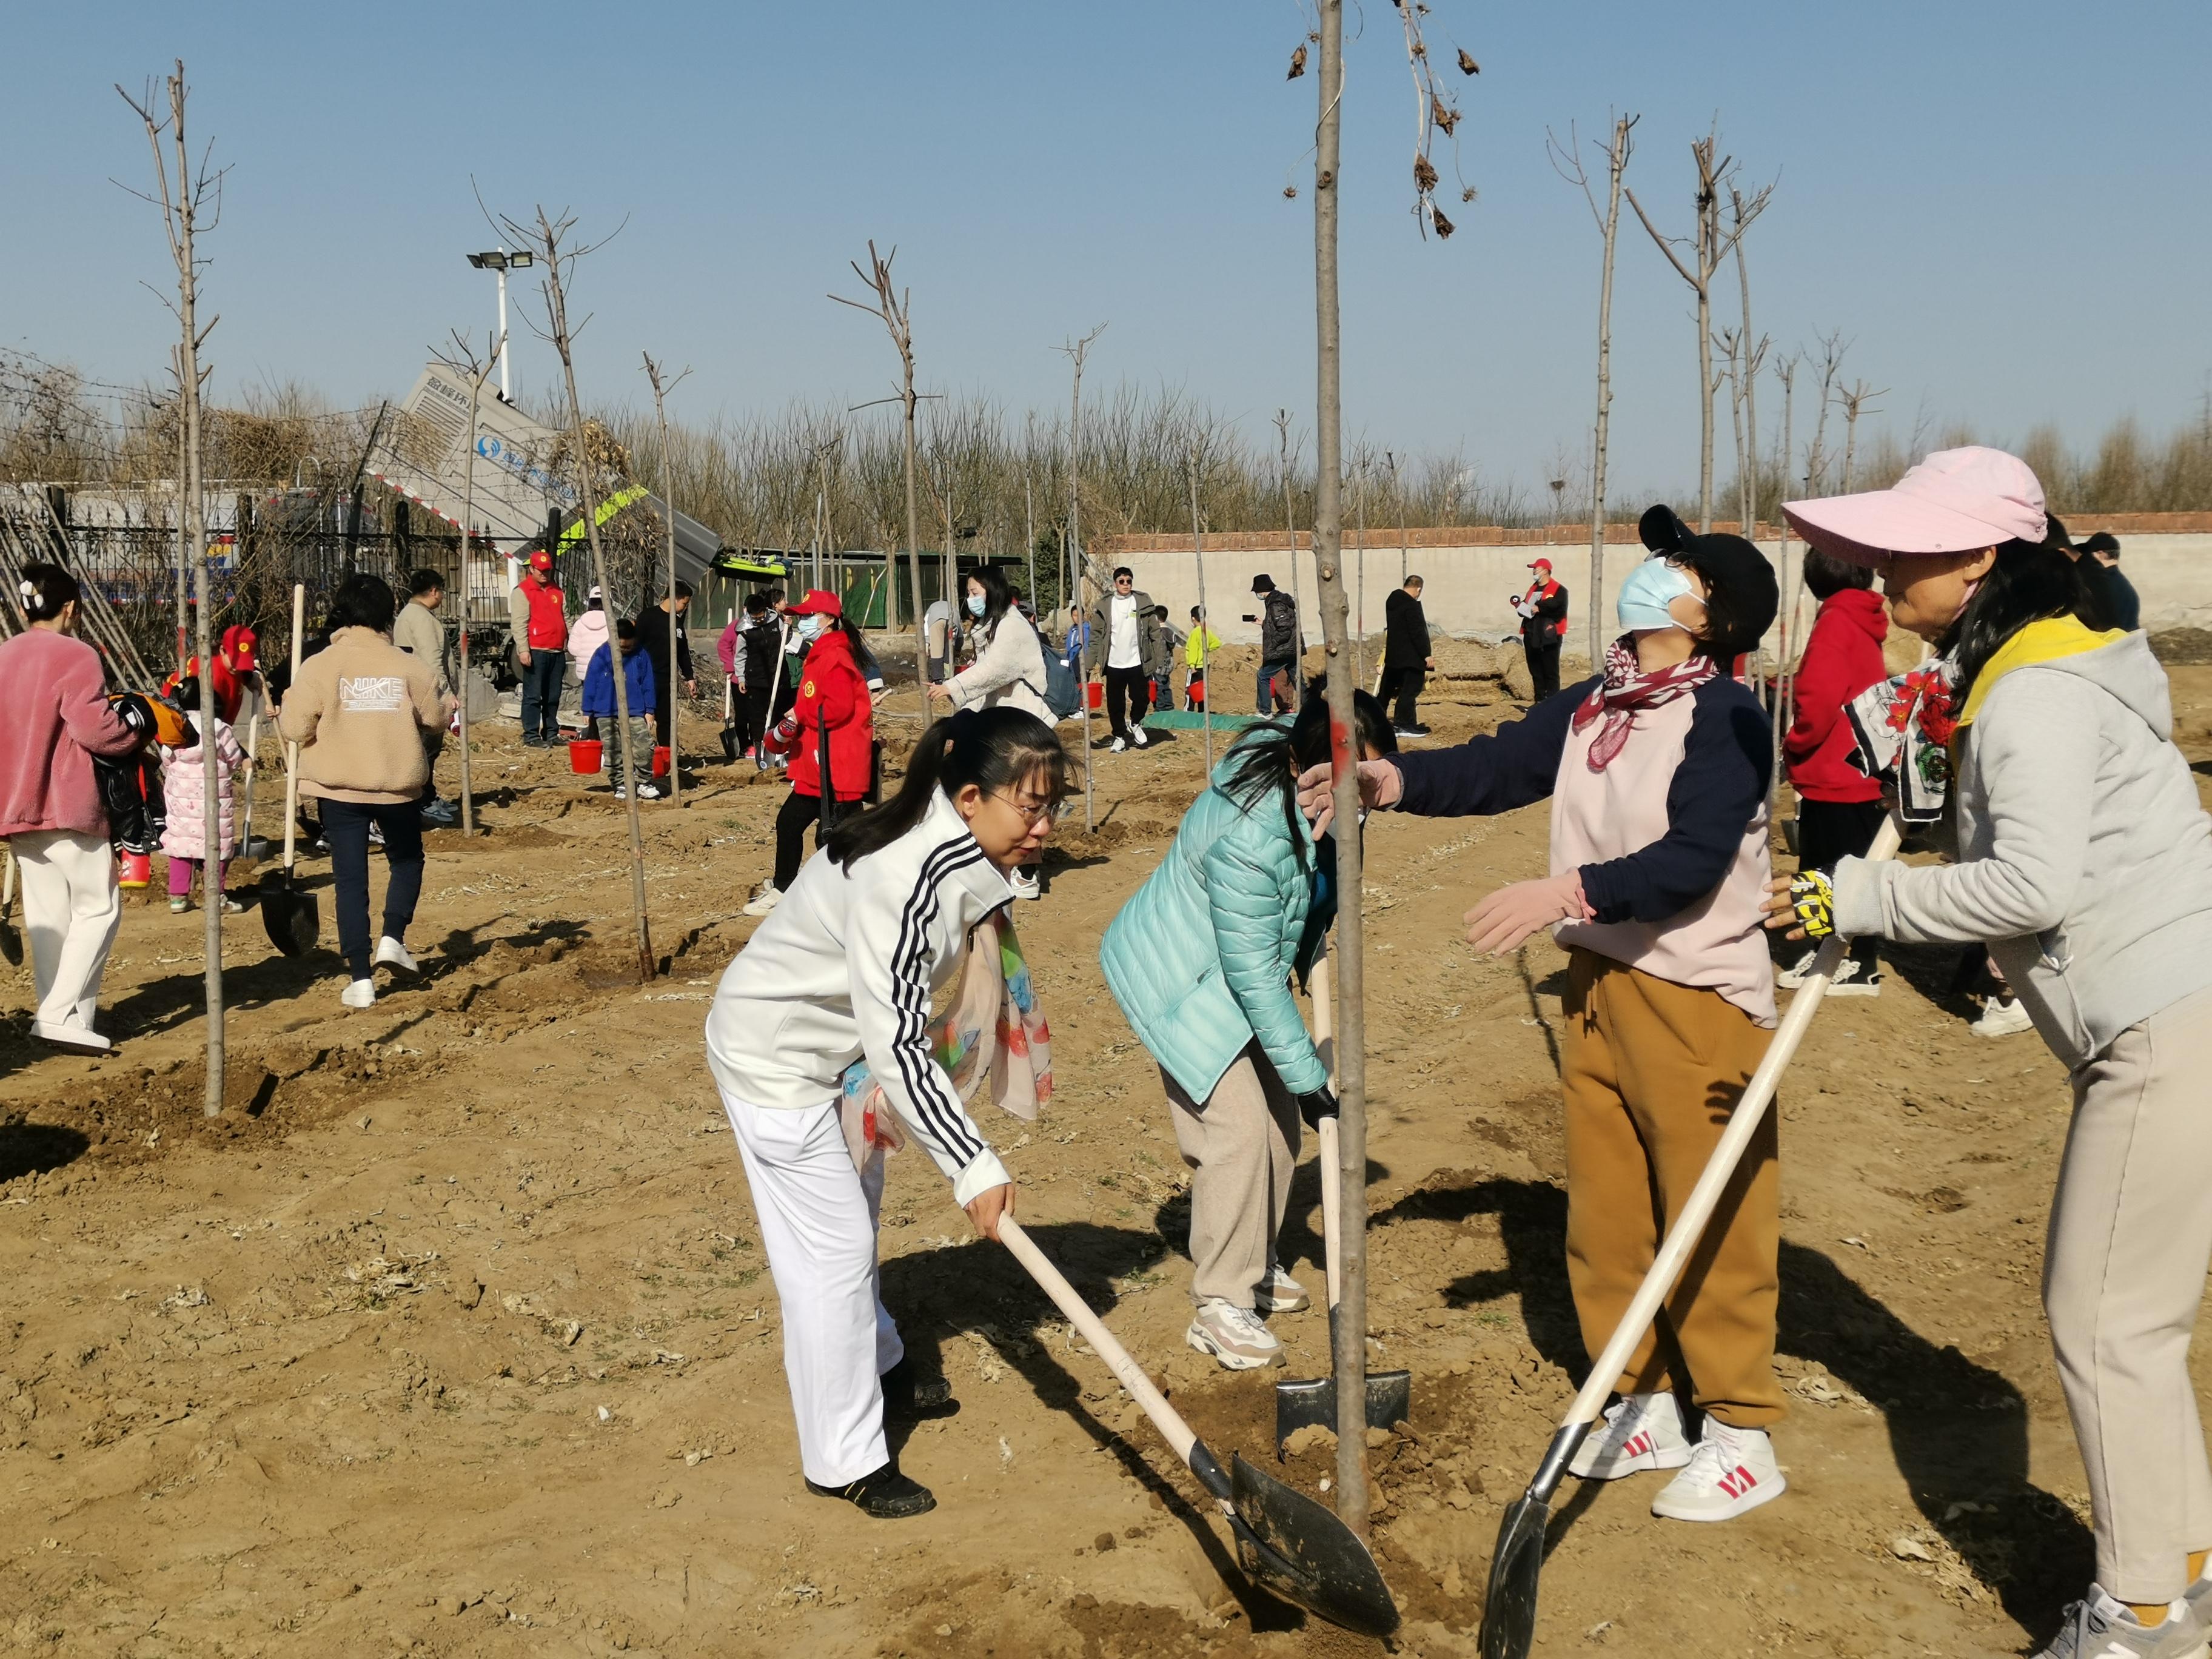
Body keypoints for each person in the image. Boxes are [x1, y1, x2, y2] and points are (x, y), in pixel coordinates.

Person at [1771, 446, 2212, 1659]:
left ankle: (2137, 1622)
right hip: (2168, 1010)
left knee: (2104, 1320)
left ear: (1977, 560)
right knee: (2139, 1323)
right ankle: (2183, 1577)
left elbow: (2030, 884)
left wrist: (1852, 902)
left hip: (2165, 1023)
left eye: (1902, 548)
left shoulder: (2037, 695)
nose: (1876, 566)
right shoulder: (2028, 664)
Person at [1305, 506, 1785, 1523]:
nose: (1654, 573)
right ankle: (1639, 1396)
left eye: (1680, 567)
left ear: (1714, 619)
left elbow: (1693, 860)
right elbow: (1497, 762)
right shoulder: (1596, 704)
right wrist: (1390, 780)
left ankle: (1741, 1429)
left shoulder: (1725, 719)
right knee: (1607, 1210)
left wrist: (1568, 894)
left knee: (1712, 1212)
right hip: (1603, 986)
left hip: (1698, 997)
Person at [705, 705, 1068, 1517]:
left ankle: (880, 1358)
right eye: (1031, 807)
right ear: (970, 796)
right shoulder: (904, 875)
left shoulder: (952, 849)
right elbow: (901, 1038)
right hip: (777, 1059)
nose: (1044, 827)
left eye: (1054, 807)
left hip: (839, 1056)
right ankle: (844, 1459)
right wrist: (972, 1164)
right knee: (829, 1258)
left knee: (854, 1222)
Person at [1102, 686, 1395, 1370]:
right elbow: (1254, 978)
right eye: (1355, 782)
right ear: (1306, 766)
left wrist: (1311, 933)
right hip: (1182, 980)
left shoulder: (1303, 777)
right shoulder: (1251, 836)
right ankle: (1220, 1302)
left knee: (1279, 1129)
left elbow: (1294, 901)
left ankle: (1253, 1260)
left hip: (1230, 966)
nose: (1366, 797)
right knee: (1236, 1132)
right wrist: (1310, 1078)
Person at [277, 573, 453, 1010]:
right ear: (386, 615)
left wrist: (287, 703)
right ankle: (393, 937)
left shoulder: (319, 665)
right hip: (397, 787)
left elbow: (296, 728)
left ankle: (360, 979)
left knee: (350, 878)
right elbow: (436, 718)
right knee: (407, 859)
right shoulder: (408, 665)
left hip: (338, 789)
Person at [0, 563, 144, 1052]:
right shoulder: (76, 654)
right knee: (99, 908)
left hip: (15, 806)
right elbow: (93, 727)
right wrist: (136, 734)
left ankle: (71, 1019)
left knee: (47, 919)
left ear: (23, 607)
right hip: (66, 803)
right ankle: (58, 1014)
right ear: (72, 608)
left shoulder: (3, 655)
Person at [1777, 549, 1888, 996]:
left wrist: (1795, 746)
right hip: (1861, 767)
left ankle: (1841, 962)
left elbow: (1817, 699)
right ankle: (1852, 958)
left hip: (1835, 772)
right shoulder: (1864, 618)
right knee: (1855, 868)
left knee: (1827, 869)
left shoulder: (1835, 623)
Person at [746, 592, 875, 916]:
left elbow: (837, 709)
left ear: (829, 619)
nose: (801, 622)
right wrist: (798, 712)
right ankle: (787, 886)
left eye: (808, 615)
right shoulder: (821, 655)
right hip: (821, 763)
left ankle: (816, 894)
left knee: (830, 836)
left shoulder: (836, 658)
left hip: (834, 764)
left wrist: (800, 716)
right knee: (797, 824)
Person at [928, 566, 1052, 900]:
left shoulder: (1011, 627)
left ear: (993, 592)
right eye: (968, 593)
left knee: (1025, 795)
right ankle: (997, 857)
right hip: (1003, 723)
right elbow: (988, 686)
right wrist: (963, 718)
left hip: (1025, 726)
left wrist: (952, 686)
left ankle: (1027, 870)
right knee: (1004, 793)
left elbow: (995, 672)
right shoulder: (990, 627)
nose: (970, 600)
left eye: (975, 593)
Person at [158, 673, 246, 914]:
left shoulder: (175, 726)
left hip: (181, 801)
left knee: (180, 846)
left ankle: (178, 897)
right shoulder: (218, 728)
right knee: (215, 846)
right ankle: (215, 897)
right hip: (213, 799)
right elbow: (235, 758)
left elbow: (166, 758)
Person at [394, 569, 460, 828]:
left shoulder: (412, 614)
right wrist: (446, 693)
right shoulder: (420, 619)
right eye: (441, 590)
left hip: (418, 692)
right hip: (426, 695)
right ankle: (422, 801)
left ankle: (428, 795)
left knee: (427, 751)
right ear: (434, 591)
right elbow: (432, 660)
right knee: (426, 750)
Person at [581, 618, 662, 802]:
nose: (625, 651)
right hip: (605, 711)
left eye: (628, 647)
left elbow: (648, 683)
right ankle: (620, 784)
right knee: (612, 750)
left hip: (635, 710)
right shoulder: (601, 655)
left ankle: (643, 782)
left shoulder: (641, 654)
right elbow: (591, 682)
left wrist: (650, 709)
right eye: (621, 648)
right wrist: (587, 710)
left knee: (644, 746)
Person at [1090, 566, 1165, 752]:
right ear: (1115, 583)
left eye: (1129, 581)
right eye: (1122, 581)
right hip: (1114, 662)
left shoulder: (1142, 602)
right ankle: (1119, 737)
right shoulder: (1106, 605)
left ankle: (1136, 722)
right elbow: (1095, 635)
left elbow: (1154, 632)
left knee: (1141, 698)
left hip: (1137, 661)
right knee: (1115, 704)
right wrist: (1090, 663)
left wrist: (1159, 658)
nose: (1126, 585)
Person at [509, 549, 567, 746]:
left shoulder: (556, 591)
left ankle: (551, 732)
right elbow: (519, 623)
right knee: (533, 696)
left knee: (553, 696)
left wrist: (570, 640)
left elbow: (565, 617)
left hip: (557, 651)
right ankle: (531, 735)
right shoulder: (522, 592)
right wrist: (523, 649)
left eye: (547, 570)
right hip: (536, 650)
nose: (544, 573)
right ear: (531, 569)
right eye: (540, 570)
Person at [636, 580, 697, 758]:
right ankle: (640, 757)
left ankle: (666, 758)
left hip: (668, 680)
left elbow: (683, 651)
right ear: (675, 598)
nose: (685, 607)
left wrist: (689, 676)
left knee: (667, 721)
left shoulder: (677, 623)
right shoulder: (648, 618)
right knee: (643, 719)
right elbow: (635, 648)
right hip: (647, 679)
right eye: (684, 603)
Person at [1382, 574, 1436, 736]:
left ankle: (1376, 720)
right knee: (1410, 690)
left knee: (1386, 691)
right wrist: (1426, 654)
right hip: (1411, 657)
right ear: (1418, 589)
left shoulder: (1392, 601)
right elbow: (1417, 631)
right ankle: (1404, 724)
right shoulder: (1411, 606)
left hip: (1394, 656)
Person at [1513, 557, 1570, 702]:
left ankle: (1552, 702)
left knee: (1550, 670)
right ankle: (1539, 701)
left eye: (1536, 569)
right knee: (1535, 670)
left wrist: (1541, 607)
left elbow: (1560, 610)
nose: (1533, 571)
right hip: (1531, 633)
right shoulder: (1532, 589)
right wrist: (1521, 607)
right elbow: (1526, 607)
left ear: (1545, 571)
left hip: (1549, 635)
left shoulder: (1559, 590)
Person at [1243, 574, 1301, 715]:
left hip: (1282, 650)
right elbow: (1280, 626)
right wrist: (1263, 623)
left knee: (1263, 676)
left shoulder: (1275, 604)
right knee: (1299, 681)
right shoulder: (1279, 602)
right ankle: (1315, 709)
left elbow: (1284, 629)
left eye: (1257, 592)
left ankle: (1265, 712)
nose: (1257, 595)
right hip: (1291, 648)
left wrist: (1274, 646)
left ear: (1262, 591)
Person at [568, 586, 612, 739]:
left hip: (586, 672)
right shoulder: (612, 623)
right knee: (607, 703)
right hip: (607, 672)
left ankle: (592, 734)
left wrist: (583, 656)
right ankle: (606, 735)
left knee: (590, 702)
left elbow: (572, 648)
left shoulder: (580, 623)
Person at [1184, 606, 1221, 709]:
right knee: (1201, 689)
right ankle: (1202, 711)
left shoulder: (1195, 633)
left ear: (1193, 618)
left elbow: (1192, 650)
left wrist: (1192, 666)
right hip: (1205, 664)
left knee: (1190, 689)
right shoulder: (1206, 631)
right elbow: (1217, 643)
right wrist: (1206, 649)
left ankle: (1188, 712)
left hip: (1195, 666)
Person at [1151, 605, 1183, 714]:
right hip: (1169, 663)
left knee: (1159, 686)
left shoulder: (1158, 632)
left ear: (1156, 618)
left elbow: (1157, 649)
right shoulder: (1171, 632)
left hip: (1159, 664)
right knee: (1166, 685)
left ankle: (1160, 707)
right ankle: (1169, 705)